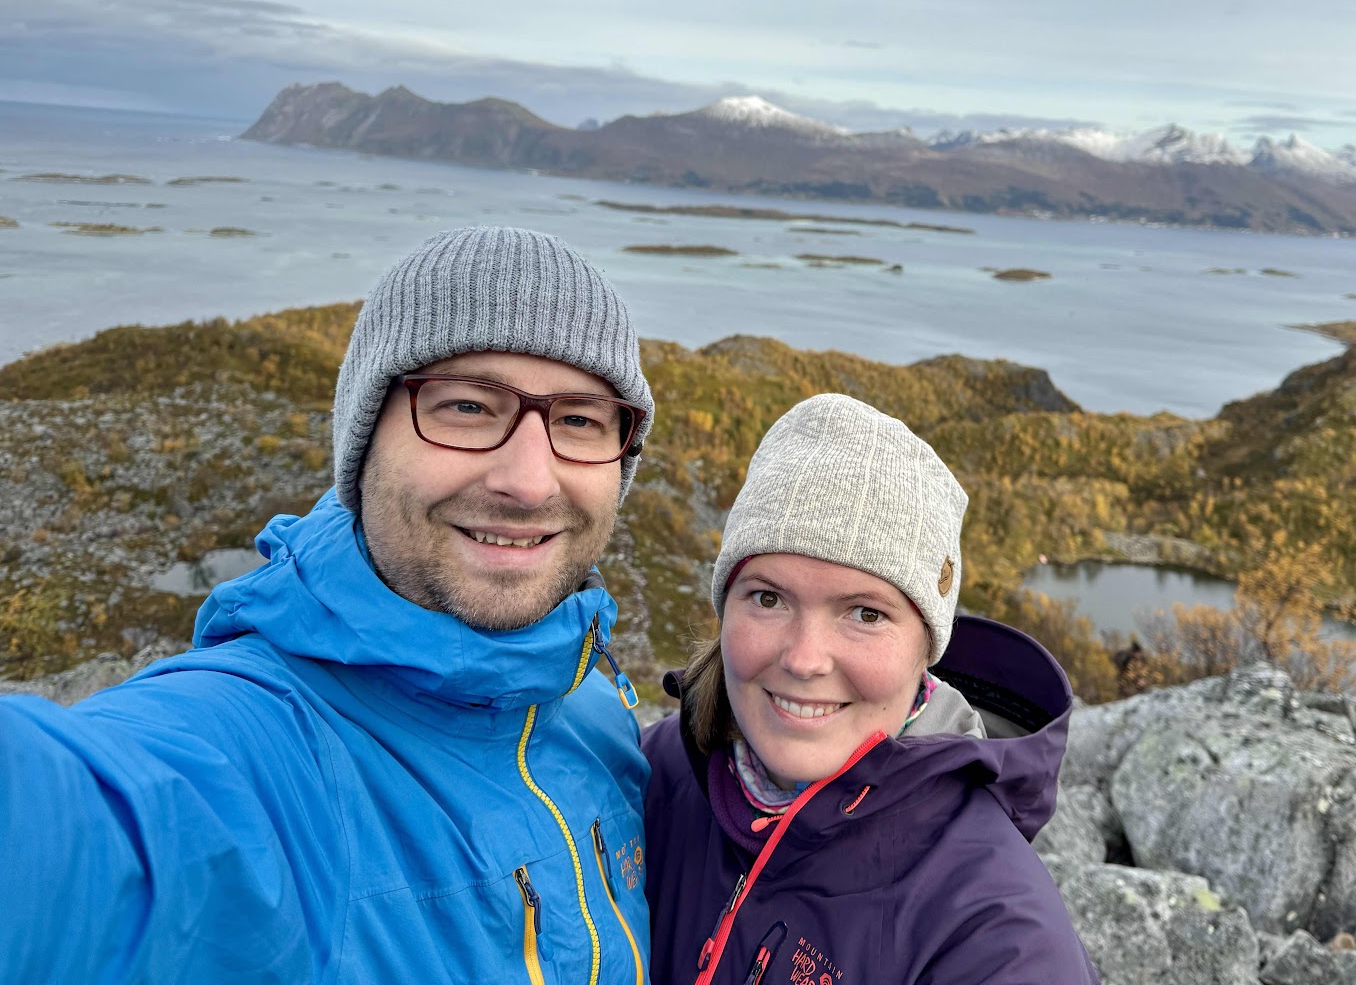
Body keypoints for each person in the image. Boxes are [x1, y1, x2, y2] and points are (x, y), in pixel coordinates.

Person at [0, 227, 655, 984]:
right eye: (468, 406)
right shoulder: (259, 747)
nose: (530, 482)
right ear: (364, 440)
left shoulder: (598, 715)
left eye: (579, 420)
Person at [641, 393, 1100, 985]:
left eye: (865, 614)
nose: (804, 659)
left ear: (926, 650)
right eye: (768, 597)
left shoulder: (997, 940)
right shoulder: (650, 774)